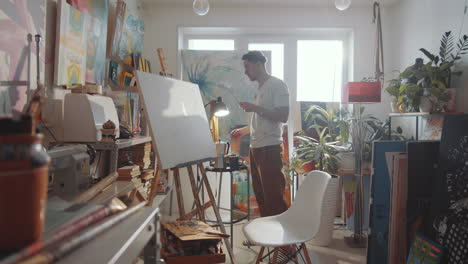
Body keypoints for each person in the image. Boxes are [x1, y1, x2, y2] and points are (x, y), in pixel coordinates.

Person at [231, 50, 290, 220]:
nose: (245, 71)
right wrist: (244, 130)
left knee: (273, 198)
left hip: (269, 149)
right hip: (256, 148)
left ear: (258, 63)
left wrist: (255, 108)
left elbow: (282, 116)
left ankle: (284, 243)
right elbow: (263, 120)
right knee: (262, 198)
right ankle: (268, 237)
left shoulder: (277, 85)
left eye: (247, 66)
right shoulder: (261, 88)